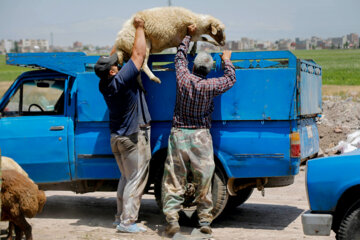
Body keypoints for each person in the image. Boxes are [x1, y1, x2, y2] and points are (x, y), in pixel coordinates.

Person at [162, 24, 236, 236]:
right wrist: (227, 60)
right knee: (204, 179)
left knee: (174, 179)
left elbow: (179, 58)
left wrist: (187, 36)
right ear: (209, 70)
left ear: (194, 66)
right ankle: (204, 220)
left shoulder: (183, 79)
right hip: (201, 136)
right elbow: (231, 79)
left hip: (179, 135)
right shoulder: (211, 86)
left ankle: (173, 221)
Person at [94, 17, 151, 233]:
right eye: (116, 65)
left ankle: (119, 217)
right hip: (130, 137)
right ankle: (128, 223)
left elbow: (110, 60)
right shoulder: (121, 80)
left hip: (116, 138)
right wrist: (139, 28)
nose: (118, 64)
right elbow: (138, 55)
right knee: (135, 179)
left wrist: (121, 40)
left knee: (126, 178)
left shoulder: (104, 84)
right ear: (112, 71)